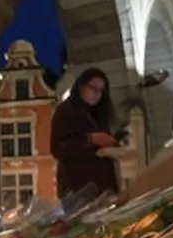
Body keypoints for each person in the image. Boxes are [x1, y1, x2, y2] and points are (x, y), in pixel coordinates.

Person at [50, 68, 121, 197]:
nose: (97, 94)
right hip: (76, 189)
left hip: (103, 187)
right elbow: (57, 149)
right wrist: (89, 139)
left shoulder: (99, 114)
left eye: (101, 91)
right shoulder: (65, 111)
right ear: (81, 86)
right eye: (93, 88)